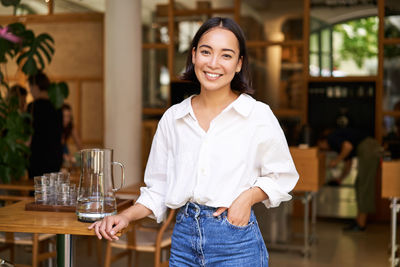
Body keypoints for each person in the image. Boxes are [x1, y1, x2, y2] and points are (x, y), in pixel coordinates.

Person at [89, 17, 299, 266]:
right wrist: (125, 216)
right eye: (206, 52)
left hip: (236, 243)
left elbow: (283, 176)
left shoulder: (257, 115)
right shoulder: (174, 118)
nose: (213, 63)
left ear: (239, 63)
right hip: (183, 241)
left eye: (226, 55)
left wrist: (248, 197)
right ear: (194, 55)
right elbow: (158, 188)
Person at [317, 128, 381, 231]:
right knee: (360, 183)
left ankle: (361, 224)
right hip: (369, 149)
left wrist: (336, 161)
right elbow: (348, 163)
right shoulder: (339, 142)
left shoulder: (331, 138)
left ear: (322, 141)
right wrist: (340, 179)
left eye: (321, 146)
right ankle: (358, 220)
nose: (323, 149)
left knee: (364, 185)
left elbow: (348, 147)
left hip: (369, 149)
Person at [27, 71, 63, 179]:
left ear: (35, 86)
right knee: (52, 191)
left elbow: (28, 136)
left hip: (37, 157)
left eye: (30, 87)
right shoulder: (58, 107)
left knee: (36, 191)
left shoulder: (32, 107)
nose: (30, 91)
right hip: (55, 157)